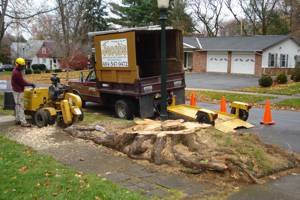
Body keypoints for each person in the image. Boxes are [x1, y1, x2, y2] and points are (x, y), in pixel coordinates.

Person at [11, 58, 35, 127]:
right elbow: (23, 83)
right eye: (21, 66)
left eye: (23, 66)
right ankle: (23, 122)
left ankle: (17, 119)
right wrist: (31, 84)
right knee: (21, 106)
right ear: (17, 64)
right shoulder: (16, 73)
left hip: (15, 90)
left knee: (17, 105)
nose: (23, 67)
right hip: (18, 91)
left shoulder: (15, 70)